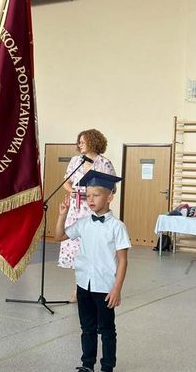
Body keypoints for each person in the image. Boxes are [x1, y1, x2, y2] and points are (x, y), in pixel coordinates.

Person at [55, 170, 130, 372]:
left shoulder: (117, 227)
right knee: (87, 328)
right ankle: (87, 364)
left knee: (106, 329)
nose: (90, 199)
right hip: (83, 284)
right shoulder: (84, 223)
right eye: (88, 196)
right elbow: (59, 236)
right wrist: (62, 215)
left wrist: (117, 288)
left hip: (105, 286)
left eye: (96, 195)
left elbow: (123, 261)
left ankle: (107, 367)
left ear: (110, 197)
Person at [59, 129, 116, 302]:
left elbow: (112, 188)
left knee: (92, 249)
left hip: (94, 210)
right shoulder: (75, 161)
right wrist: (76, 191)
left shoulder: (104, 163)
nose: (80, 145)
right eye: (79, 142)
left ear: (93, 142)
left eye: (83, 142)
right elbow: (66, 183)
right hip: (76, 211)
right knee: (76, 251)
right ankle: (79, 289)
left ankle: (96, 287)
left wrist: (94, 193)